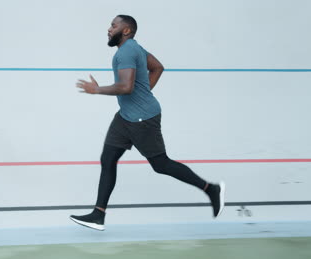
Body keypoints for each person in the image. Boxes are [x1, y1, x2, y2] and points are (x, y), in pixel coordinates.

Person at [70, 15, 225, 231]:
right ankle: (98, 214)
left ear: (126, 31)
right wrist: (144, 93)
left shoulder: (127, 51)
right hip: (126, 116)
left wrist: (97, 90)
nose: (108, 29)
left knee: (161, 165)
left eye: (113, 25)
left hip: (142, 119)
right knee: (108, 159)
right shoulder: (135, 48)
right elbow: (158, 67)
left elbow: (126, 87)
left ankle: (211, 189)